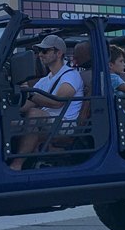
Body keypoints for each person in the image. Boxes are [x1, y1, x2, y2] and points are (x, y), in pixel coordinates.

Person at [11, 35, 84, 168]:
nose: (40, 55)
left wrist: (30, 94)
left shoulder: (71, 75)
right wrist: (9, 107)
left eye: (45, 51)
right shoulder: (45, 80)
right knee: (9, 123)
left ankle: (17, 165)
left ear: (59, 53)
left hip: (65, 124)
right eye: (39, 51)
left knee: (34, 115)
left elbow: (58, 102)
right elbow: (26, 105)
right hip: (48, 122)